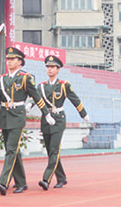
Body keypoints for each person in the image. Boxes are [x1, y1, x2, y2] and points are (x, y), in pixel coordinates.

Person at [0, 47, 55, 196]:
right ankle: (21, 182)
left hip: (17, 117)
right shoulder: (1, 78)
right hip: (5, 116)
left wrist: (46, 114)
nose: (9, 61)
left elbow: (37, 97)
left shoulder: (25, 78)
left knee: (11, 149)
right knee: (12, 150)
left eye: (13, 59)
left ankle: (3, 182)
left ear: (20, 62)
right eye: (8, 59)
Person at [37, 55, 89, 191]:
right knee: (51, 152)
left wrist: (83, 113)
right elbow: (36, 98)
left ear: (58, 69)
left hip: (58, 119)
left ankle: (46, 179)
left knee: (54, 150)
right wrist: (28, 106)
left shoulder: (64, 85)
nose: (49, 69)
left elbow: (75, 99)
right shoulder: (42, 86)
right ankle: (61, 178)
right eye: (48, 67)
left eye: (52, 67)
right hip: (46, 119)